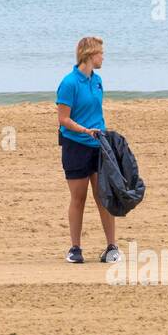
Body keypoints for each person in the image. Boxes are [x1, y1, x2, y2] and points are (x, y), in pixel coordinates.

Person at [56, 36, 120, 264]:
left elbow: (96, 112)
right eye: (101, 53)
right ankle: (75, 249)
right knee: (79, 197)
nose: (103, 57)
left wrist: (104, 135)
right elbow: (63, 119)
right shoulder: (69, 83)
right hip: (75, 145)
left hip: (98, 144)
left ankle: (112, 247)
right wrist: (85, 130)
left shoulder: (98, 80)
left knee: (103, 196)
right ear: (90, 55)